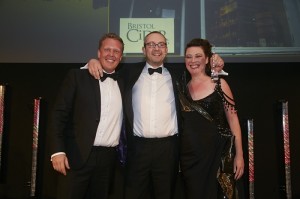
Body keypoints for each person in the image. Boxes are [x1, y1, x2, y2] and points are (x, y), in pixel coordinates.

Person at [83, 31, 225, 199]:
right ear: (143, 50)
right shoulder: (128, 72)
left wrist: (217, 61)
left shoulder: (179, 74)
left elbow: (200, 68)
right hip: (136, 149)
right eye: (151, 44)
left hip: (168, 149)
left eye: (161, 44)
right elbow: (107, 67)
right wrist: (92, 62)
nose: (156, 49)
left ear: (166, 50)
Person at [48, 33, 124, 199]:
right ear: (98, 53)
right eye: (107, 49)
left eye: (116, 51)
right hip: (76, 156)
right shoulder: (77, 76)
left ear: (121, 56)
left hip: (107, 159)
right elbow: (58, 115)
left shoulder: (124, 82)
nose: (111, 54)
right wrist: (57, 151)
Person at [176, 38, 244, 199]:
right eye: (188, 56)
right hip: (190, 159)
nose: (193, 61)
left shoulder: (220, 84)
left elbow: (233, 120)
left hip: (217, 156)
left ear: (207, 59)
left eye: (198, 56)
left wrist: (239, 154)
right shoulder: (181, 88)